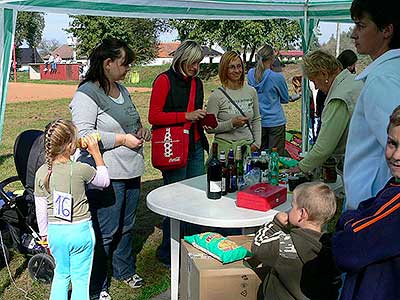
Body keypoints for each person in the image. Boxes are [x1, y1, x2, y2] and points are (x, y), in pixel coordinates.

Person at [70, 38, 151, 300]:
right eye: (124, 63)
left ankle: (124, 269)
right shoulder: (87, 93)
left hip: (131, 170)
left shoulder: (122, 89)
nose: (127, 68)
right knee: (105, 231)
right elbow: (83, 136)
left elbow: (133, 120)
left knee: (126, 225)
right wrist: (122, 140)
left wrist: (140, 131)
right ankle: (97, 286)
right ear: (107, 64)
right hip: (107, 174)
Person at [148, 40, 209, 266]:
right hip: (172, 147)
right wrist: (186, 116)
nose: (195, 68)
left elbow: (196, 115)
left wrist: (206, 121)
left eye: (198, 64)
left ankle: (192, 246)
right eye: (192, 63)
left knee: (195, 199)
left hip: (194, 146)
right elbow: (154, 117)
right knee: (174, 200)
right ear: (181, 60)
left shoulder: (197, 83)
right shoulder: (164, 80)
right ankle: (168, 251)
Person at [34, 119, 110, 300]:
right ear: (69, 145)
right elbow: (104, 181)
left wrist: (44, 235)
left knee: (61, 275)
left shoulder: (42, 172)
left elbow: (40, 207)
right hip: (80, 231)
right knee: (80, 280)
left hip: (55, 233)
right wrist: (96, 153)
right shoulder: (81, 169)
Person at [332, 105, 400, 300]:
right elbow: (368, 209)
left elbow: (347, 248)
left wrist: (347, 222)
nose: (396, 156)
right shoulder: (394, 184)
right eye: (392, 143)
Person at [344, 0, 400, 209]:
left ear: (387, 30)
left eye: (361, 25)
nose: (354, 34)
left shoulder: (382, 80)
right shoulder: (391, 71)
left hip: (372, 202)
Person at [252, 182, 341, 300]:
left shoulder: (287, 244)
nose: (290, 210)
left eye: (293, 206)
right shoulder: (334, 248)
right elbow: (335, 284)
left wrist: (276, 224)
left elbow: (258, 247)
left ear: (302, 214)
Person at [288, 50, 363, 175]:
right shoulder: (354, 81)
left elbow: (324, 147)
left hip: (357, 166)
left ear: (324, 74)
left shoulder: (339, 97)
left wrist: (301, 167)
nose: (316, 87)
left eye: (314, 81)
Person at [206, 50, 261, 157]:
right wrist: (231, 124)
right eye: (232, 67)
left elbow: (256, 119)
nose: (237, 70)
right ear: (224, 69)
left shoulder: (251, 91)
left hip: (247, 148)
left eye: (239, 66)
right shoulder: (216, 96)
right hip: (224, 150)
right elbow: (210, 128)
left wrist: (257, 143)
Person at [247, 44, 289, 155]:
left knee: (258, 156)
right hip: (275, 122)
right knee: (276, 157)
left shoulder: (251, 74)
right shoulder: (277, 77)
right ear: (272, 58)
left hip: (258, 121)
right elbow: (285, 99)